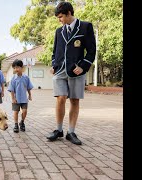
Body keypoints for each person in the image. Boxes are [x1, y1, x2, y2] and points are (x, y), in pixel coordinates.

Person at [47, 1, 96, 145]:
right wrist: (54, 65)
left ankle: (71, 132)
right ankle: (58, 130)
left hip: (76, 71)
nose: (59, 20)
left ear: (69, 13)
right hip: (60, 71)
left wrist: (83, 66)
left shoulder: (85, 27)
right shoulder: (59, 31)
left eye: (61, 17)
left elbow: (91, 51)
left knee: (74, 100)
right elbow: (55, 51)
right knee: (60, 98)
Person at [7, 59, 33, 133]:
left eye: (17, 67)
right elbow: (11, 90)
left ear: (22, 68)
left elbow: (28, 87)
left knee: (24, 111)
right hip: (16, 99)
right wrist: (13, 98)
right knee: (16, 112)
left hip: (24, 99)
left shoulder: (26, 78)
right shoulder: (13, 79)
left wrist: (30, 95)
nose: (16, 69)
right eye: (14, 68)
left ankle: (22, 122)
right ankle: (16, 124)